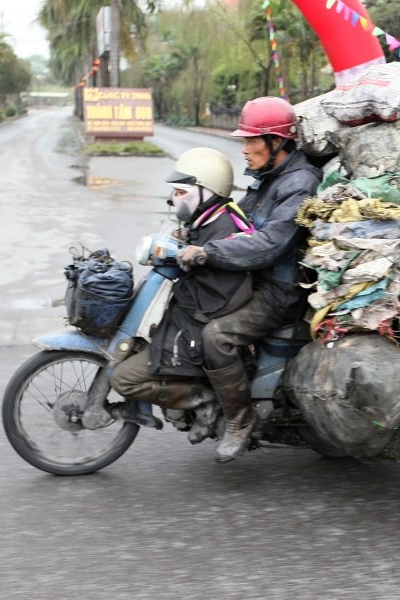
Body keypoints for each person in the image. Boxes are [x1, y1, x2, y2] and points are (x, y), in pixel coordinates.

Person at [177, 96, 323, 463]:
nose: (243, 149)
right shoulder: (268, 178)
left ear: (277, 142)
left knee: (217, 336)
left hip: (278, 291)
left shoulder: (299, 183)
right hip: (254, 278)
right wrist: (195, 230)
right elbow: (240, 219)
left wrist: (212, 253)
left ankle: (240, 420)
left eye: (250, 140)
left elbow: (270, 244)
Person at [110, 147, 253, 444]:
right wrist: (183, 244)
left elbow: (219, 287)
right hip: (190, 315)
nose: (174, 198)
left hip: (198, 322)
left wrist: (196, 256)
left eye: (180, 191)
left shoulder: (228, 228)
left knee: (123, 379)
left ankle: (203, 401)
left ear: (206, 191)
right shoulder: (209, 221)